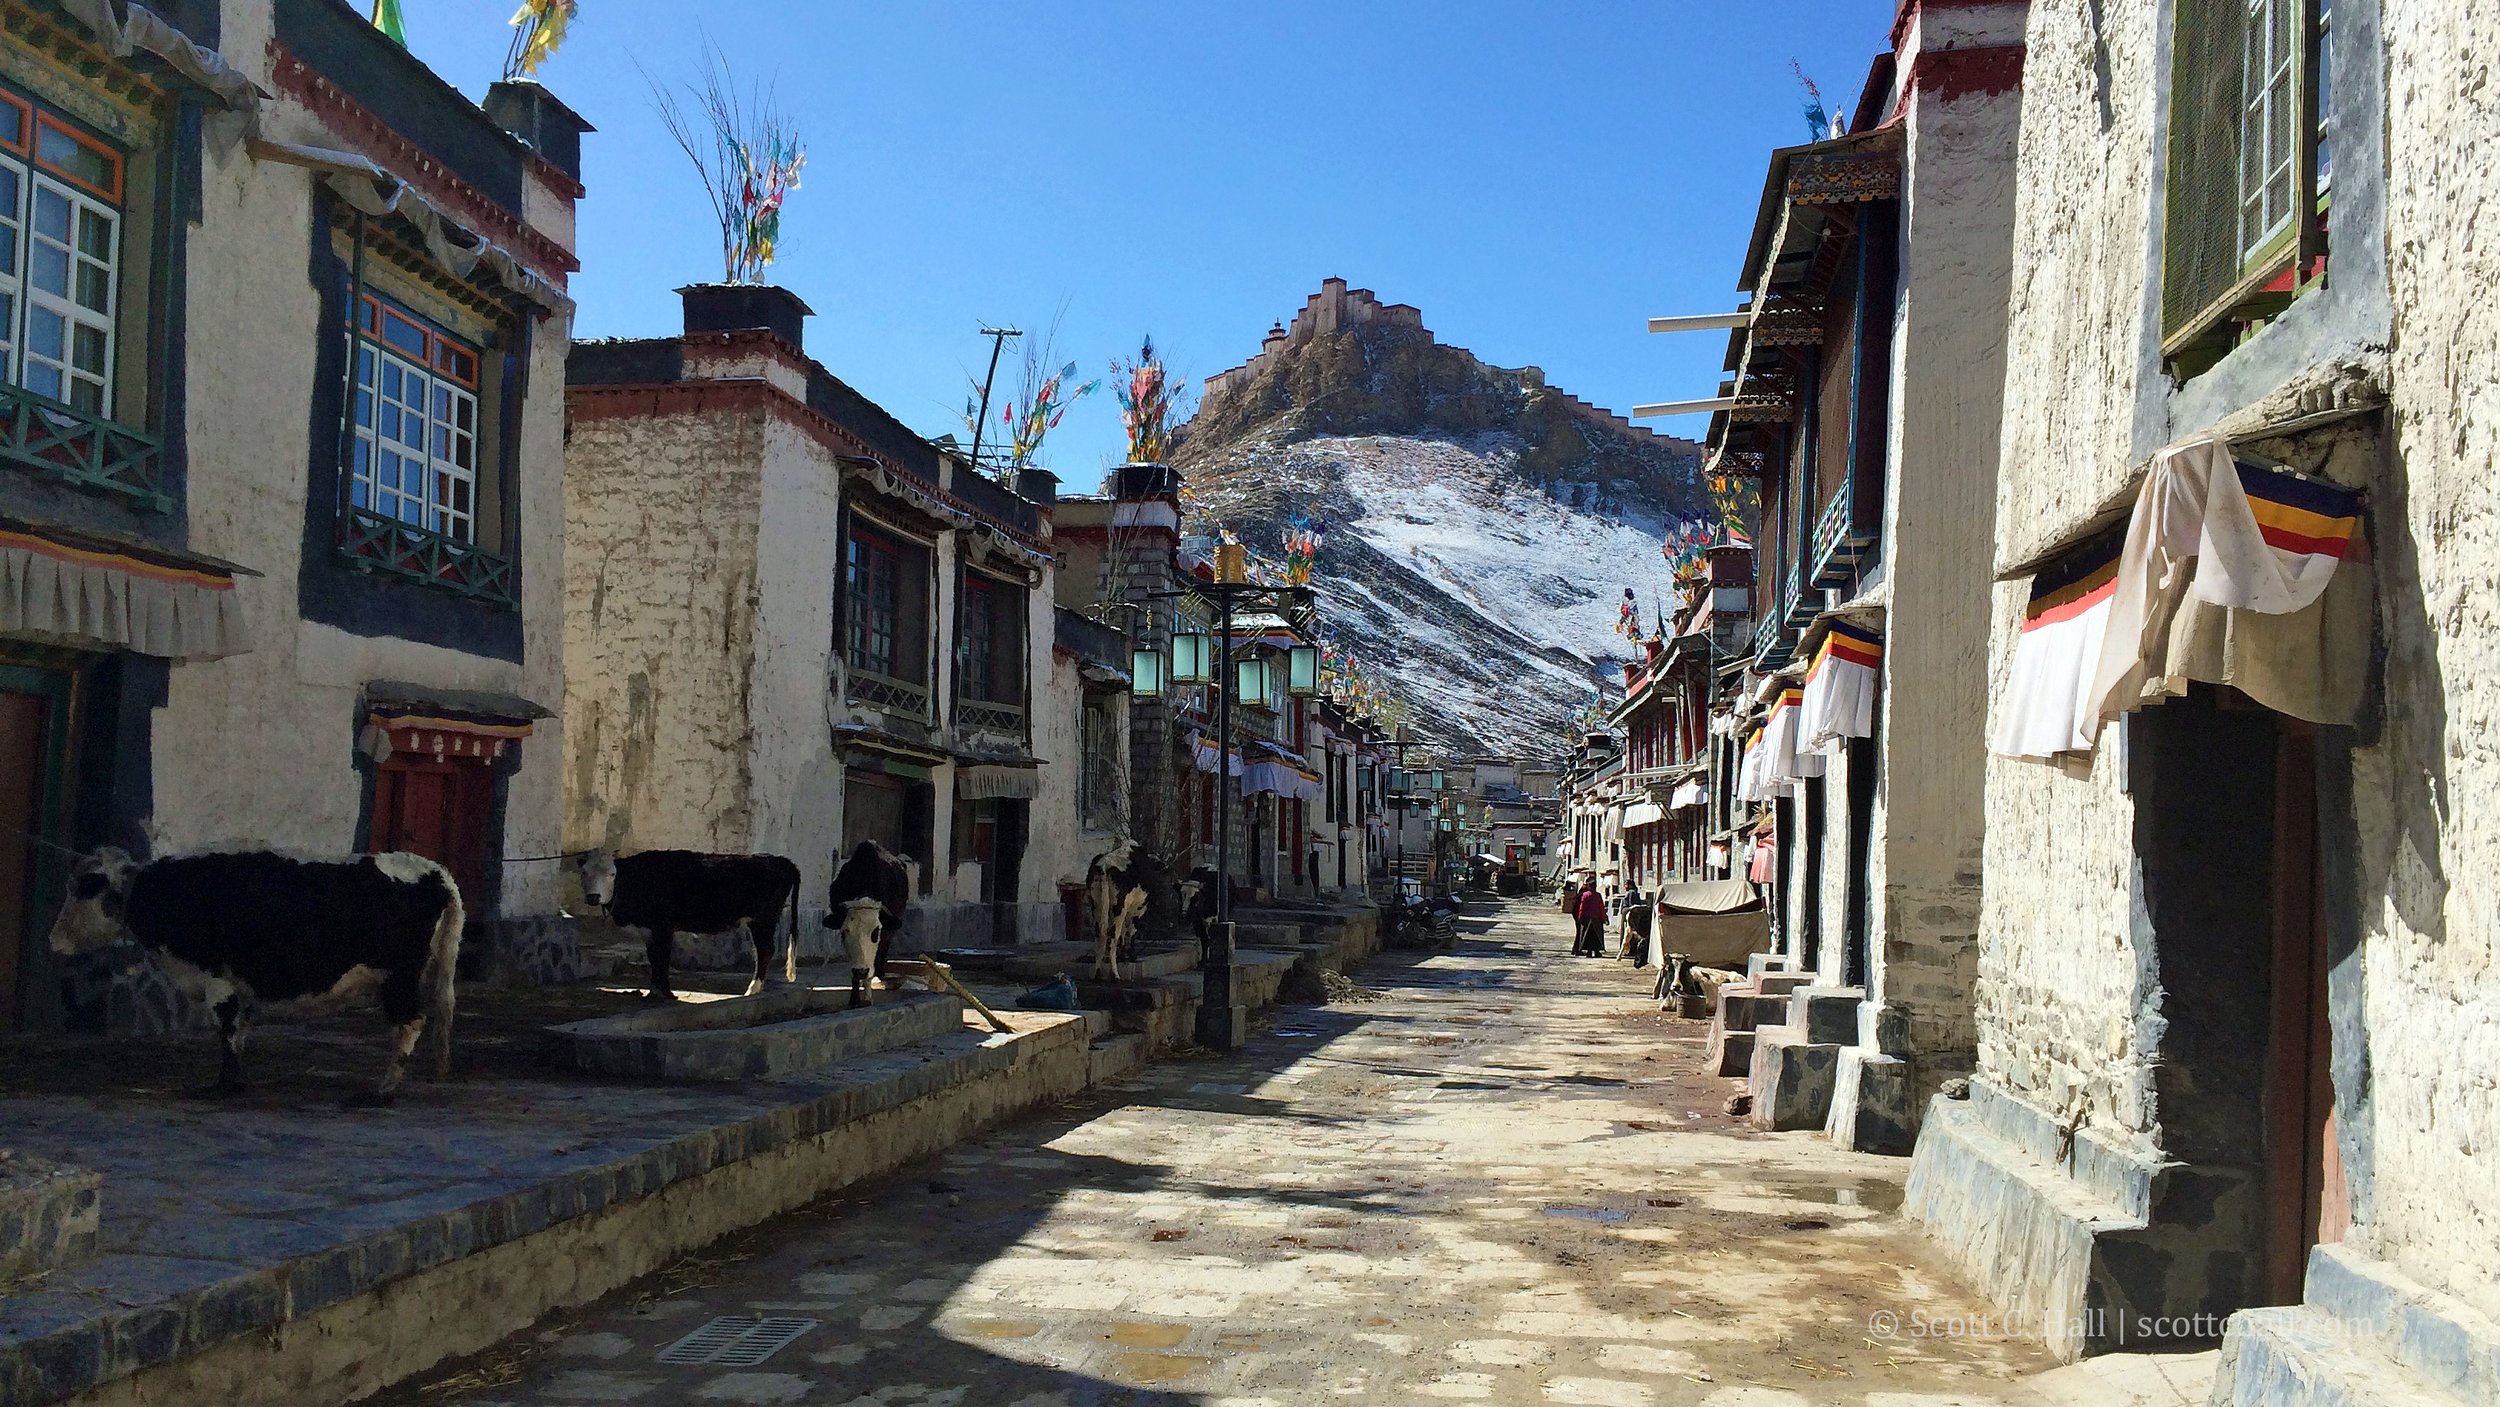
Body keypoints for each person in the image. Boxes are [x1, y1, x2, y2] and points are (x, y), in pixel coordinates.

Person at [1572, 879, 1606, 957]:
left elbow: (1582, 907)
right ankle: (1597, 952)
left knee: (1588, 935)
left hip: (1586, 918)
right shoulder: (1598, 895)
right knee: (1596, 935)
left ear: (1589, 887)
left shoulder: (1585, 895)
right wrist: (1604, 917)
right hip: (1597, 918)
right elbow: (1601, 907)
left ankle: (1589, 952)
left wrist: (1580, 916)